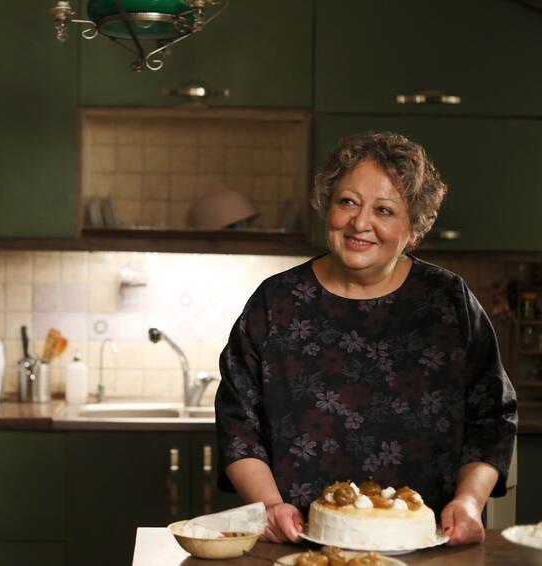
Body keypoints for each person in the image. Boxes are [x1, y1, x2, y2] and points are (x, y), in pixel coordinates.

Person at [215, 131, 517, 546]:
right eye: (348, 202)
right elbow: (238, 424)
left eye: (385, 210)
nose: (360, 223)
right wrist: (269, 506)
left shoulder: (448, 301)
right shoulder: (275, 302)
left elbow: (493, 419)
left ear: (413, 229)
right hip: (299, 546)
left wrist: (468, 501)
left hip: (425, 548)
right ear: (328, 207)